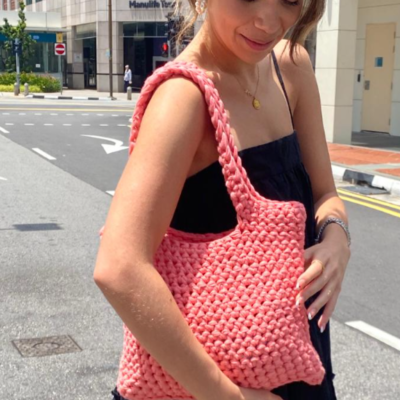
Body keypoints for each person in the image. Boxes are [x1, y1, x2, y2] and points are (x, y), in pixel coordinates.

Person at [94, 0, 351, 399]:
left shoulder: (291, 68)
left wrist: (336, 237)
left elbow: (325, 193)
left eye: (289, 1)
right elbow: (119, 267)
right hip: (209, 383)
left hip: (300, 353)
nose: (268, 21)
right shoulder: (183, 97)